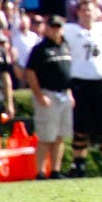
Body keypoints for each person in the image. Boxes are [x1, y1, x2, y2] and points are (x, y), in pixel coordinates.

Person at [63, 0, 102, 177]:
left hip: (101, 81)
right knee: (81, 126)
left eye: (90, 10)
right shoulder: (70, 31)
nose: (87, 13)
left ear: (96, 12)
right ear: (78, 12)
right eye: (84, 10)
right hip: (80, 82)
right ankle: (78, 165)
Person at [26, 15, 70, 179]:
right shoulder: (40, 49)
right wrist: (39, 95)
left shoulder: (66, 45)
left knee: (59, 136)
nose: (56, 30)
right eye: (53, 27)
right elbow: (30, 73)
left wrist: (70, 93)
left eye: (58, 27)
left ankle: (56, 170)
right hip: (48, 94)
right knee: (46, 136)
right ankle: (40, 172)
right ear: (47, 28)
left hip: (64, 94)